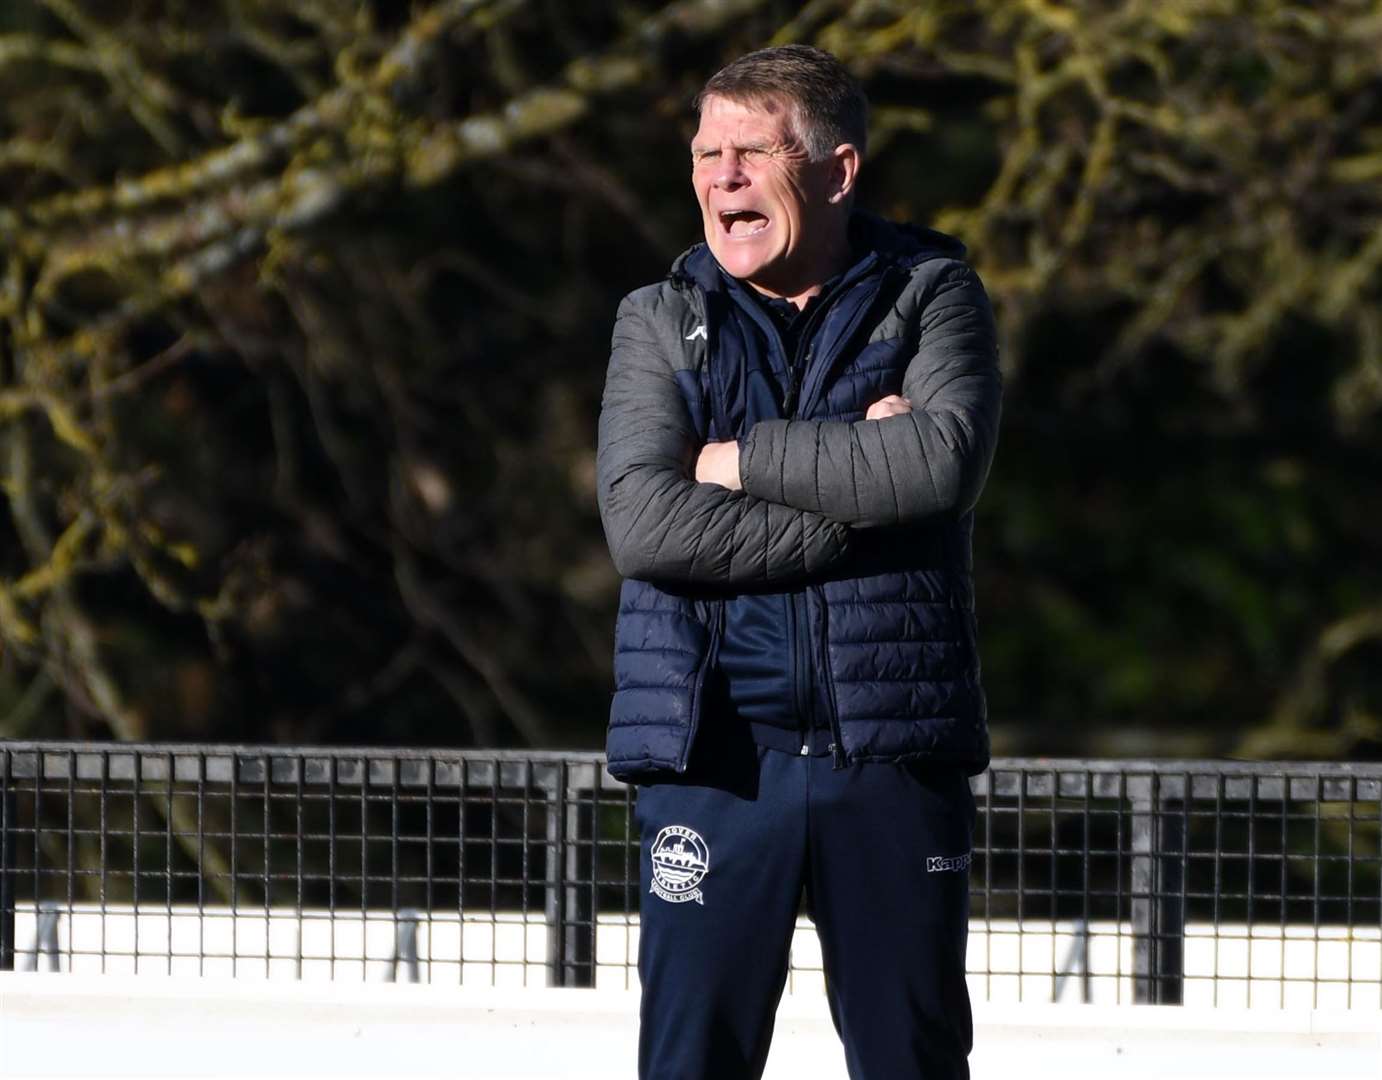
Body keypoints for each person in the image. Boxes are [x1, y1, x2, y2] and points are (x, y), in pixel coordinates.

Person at [595, 44, 1002, 1080]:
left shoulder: (932, 293)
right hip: (711, 764)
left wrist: (735, 462)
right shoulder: (657, 319)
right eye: (703, 153)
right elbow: (645, 526)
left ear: (836, 170)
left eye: (750, 151)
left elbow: (939, 462)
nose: (720, 176)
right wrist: (860, 506)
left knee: (910, 1062)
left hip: (893, 757)